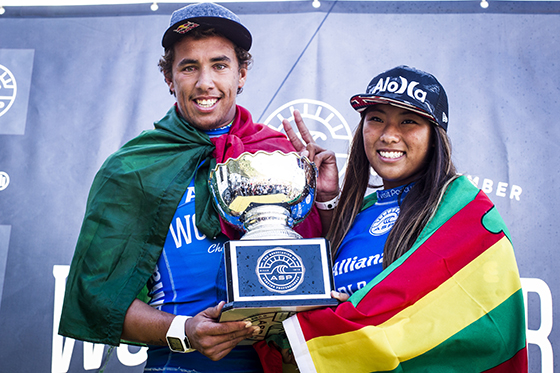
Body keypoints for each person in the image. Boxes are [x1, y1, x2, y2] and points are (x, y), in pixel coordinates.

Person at [58, 3, 321, 372]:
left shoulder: (276, 156)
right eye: (188, 67)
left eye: (219, 64)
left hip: (278, 364)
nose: (205, 83)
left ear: (242, 73)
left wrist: (322, 198)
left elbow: (323, 272)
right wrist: (184, 330)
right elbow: (99, 296)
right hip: (178, 364)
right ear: (169, 78)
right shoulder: (132, 168)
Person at [281, 66, 527, 372]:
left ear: (435, 136)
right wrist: (328, 199)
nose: (388, 135)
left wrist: (355, 314)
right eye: (376, 119)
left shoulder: (463, 213)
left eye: (408, 121)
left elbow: (478, 331)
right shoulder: (360, 209)